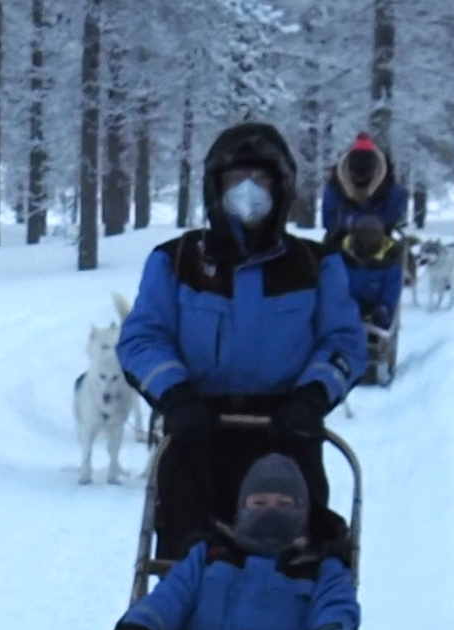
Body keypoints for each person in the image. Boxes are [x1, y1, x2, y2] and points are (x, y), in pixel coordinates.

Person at [117, 120, 367, 565]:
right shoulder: (177, 261)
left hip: (287, 434)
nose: (247, 191)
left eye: (260, 180)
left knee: (295, 569)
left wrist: (312, 397)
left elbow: (344, 341)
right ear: (215, 187)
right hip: (197, 434)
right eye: (236, 179)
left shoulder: (315, 265)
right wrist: (176, 396)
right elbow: (142, 338)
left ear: (281, 188)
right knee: (187, 565)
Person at [101, 454, 365, 630]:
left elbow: (332, 617)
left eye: (284, 504)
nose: (271, 512)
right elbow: (169, 599)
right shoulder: (209, 555)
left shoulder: (322, 566)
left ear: (303, 510)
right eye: (259, 503)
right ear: (242, 507)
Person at [320, 134, 410, 380]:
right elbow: (328, 218)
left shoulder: (388, 184)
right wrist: (354, 222)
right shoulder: (336, 184)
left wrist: (374, 224)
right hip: (341, 237)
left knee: (392, 267)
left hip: (380, 238)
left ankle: (383, 313)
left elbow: (397, 209)